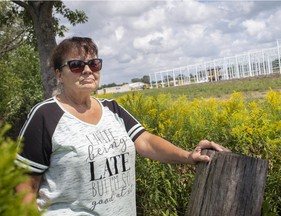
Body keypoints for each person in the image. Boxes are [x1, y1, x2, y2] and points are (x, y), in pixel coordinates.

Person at [15, 36, 229, 216]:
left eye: (94, 64)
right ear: (59, 74)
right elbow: (25, 185)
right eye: (77, 65)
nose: (88, 70)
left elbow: (145, 142)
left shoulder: (112, 108)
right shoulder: (45, 115)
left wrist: (188, 156)